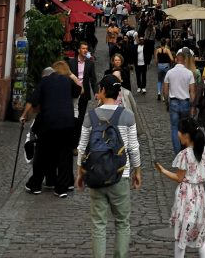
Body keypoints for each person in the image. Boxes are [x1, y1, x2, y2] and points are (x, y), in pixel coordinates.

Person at [77, 77, 142, 258]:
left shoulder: (91, 116)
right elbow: (133, 147)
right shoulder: (127, 115)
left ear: (103, 91)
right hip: (121, 175)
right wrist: (137, 170)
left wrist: (80, 172)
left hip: (96, 175)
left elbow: (82, 147)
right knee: (122, 222)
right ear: (119, 93)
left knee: (99, 224)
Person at [155, 116, 205, 258]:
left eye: (179, 131)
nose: (177, 133)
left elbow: (179, 178)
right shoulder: (203, 152)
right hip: (200, 194)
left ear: (186, 135)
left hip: (186, 197)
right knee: (200, 235)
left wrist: (163, 171)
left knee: (181, 234)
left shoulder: (184, 155)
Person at [20, 59, 82, 197]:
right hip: (67, 123)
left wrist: (24, 115)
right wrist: (71, 75)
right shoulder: (67, 81)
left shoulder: (44, 82)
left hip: (48, 123)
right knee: (65, 156)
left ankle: (35, 185)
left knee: (42, 155)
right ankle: (61, 189)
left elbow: (32, 100)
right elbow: (79, 90)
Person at [163, 51, 196, 154]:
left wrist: (167, 102)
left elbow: (165, 90)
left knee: (174, 128)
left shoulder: (170, 72)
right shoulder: (189, 73)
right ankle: (185, 150)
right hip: (185, 102)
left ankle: (178, 153)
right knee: (185, 128)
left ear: (176, 60)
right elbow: (193, 91)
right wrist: (192, 105)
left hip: (174, 102)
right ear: (185, 61)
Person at [69, 40, 98, 131]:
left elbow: (93, 79)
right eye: (83, 48)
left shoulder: (90, 63)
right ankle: (73, 130)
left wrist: (96, 92)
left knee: (81, 116)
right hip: (73, 92)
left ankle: (77, 133)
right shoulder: (71, 62)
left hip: (84, 93)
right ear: (78, 50)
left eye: (86, 49)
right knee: (72, 114)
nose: (85, 50)